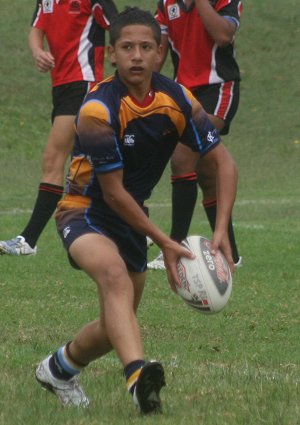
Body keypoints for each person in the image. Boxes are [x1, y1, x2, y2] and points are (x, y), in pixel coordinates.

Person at [34, 7, 237, 415]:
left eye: (146, 46)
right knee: (113, 278)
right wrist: (165, 241)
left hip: (131, 217)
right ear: (112, 54)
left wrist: (219, 232)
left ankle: (57, 369)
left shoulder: (177, 98)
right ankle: (137, 379)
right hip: (85, 210)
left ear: (160, 53)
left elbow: (223, 163)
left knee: (115, 323)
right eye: (127, 47)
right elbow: (112, 194)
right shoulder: (97, 109)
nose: (137, 55)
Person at [0, 0, 118, 256]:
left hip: (84, 82)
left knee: (54, 158)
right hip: (62, 86)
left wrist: (118, 56)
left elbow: (118, 26)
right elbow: (36, 28)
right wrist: (37, 52)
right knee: (95, 164)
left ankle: (28, 241)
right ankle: (129, 232)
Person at [147, 0, 243, 270]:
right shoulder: (167, 4)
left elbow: (224, 35)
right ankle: (232, 254)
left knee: (182, 154)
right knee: (207, 175)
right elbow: (158, 52)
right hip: (185, 93)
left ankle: (174, 247)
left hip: (219, 89)